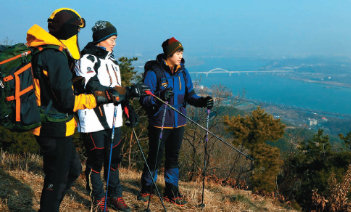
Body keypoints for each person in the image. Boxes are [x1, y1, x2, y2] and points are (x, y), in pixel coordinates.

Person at [27, 8, 125, 211]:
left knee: (72, 170)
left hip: (56, 123)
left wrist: (73, 82)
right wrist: (101, 97)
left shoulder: (49, 51)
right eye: (77, 31)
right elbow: (67, 101)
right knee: (57, 177)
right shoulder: (54, 55)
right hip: (53, 125)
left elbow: (53, 88)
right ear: (71, 31)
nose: (79, 36)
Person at [76, 20, 144, 212]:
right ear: (101, 39)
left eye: (115, 39)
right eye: (112, 39)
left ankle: (115, 195)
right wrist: (128, 91)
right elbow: (93, 88)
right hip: (92, 119)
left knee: (114, 159)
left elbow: (118, 90)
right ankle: (98, 199)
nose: (114, 43)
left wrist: (128, 107)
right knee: (96, 160)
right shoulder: (87, 59)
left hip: (115, 119)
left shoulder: (112, 61)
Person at [138, 37, 213, 206]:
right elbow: (145, 99)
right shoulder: (154, 72)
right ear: (169, 53)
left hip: (179, 121)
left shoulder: (183, 72)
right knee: (155, 157)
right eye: (178, 52)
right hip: (160, 122)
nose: (181, 55)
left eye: (182, 52)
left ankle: (171, 191)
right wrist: (159, 98)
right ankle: (147, 188)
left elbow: (190, 95)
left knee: (173, 158)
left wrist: (202, 102)